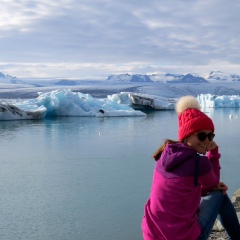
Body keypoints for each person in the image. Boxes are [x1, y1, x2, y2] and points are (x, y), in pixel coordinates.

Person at [142, 95, 240, 240]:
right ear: (187, 135)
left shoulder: (164, 155)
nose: (207, 141)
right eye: (201, 136)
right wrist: (213, 153)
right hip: (184, 237)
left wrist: (205, 188)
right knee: (221, 195)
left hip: (152, 235)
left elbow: (185, 191)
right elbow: (214, 184)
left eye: (210, 136)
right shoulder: (199, 163)